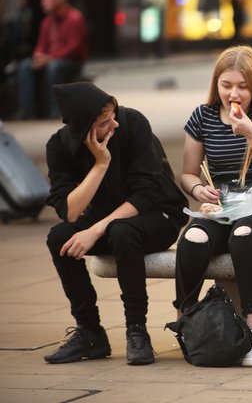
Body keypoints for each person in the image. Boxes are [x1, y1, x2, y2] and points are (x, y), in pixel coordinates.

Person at [44, 82, 188, 365]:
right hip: (110, 221)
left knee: (122, 231)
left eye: (113, 114)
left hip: (158, 216)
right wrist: (100, 164)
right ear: (82, 129)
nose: (115, 124)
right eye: (104, 122)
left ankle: (136, 329)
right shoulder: (59, 146)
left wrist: (96, 230)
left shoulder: (133, 123)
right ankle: (90, 332)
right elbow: (70, 212)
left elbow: (147, 194)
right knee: (58, 237)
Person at [173, 46, 252, 367]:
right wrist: (198, 189)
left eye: (242, 86)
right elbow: (186, 173)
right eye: (226, 85)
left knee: (243, 235)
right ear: (216, 84)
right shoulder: (204, 116)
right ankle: (185, 320)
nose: (233, 93)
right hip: (221, 207)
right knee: (192, 240)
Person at [16, 0, 87, 120]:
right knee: (25, 66)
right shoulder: (47, 21)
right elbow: (41, 44)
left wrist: (50, 58)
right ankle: (26, 109)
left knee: (54, 67)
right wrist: (38, 56)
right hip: (51, 60)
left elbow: (74, 47)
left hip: (70, 61)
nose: (43, 2)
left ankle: (55, 109)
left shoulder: (75, 18)